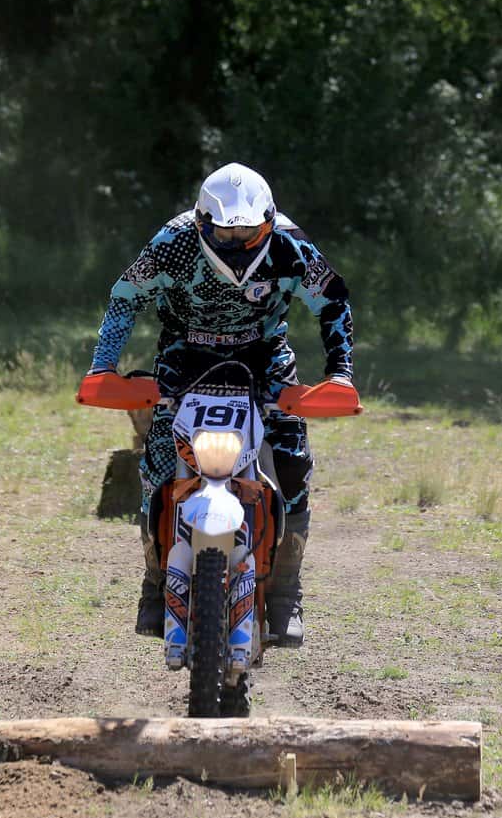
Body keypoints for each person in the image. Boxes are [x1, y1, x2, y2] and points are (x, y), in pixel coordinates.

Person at [86, 162, 355, 647]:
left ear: (267, 222)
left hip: (264, 355)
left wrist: (339, 375)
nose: (236, 242)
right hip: (185, 354)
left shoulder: (291, 245)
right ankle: (154, 583)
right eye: (225, 233)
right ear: (201, 221)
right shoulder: (172, 242)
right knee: (157, 468)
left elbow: (333, 300)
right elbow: (125, 296)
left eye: (248, 232)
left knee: (293, 465)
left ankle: (286, 593)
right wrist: (102, 368)